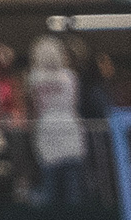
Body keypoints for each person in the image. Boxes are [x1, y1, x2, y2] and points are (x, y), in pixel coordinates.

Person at [29, 34, 88, 204]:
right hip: (70, 128)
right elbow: (75, 103)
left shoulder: (34, 78)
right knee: (72, 191)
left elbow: (34, 107)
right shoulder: (71, 77)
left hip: (47, 129)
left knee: (50, 188)